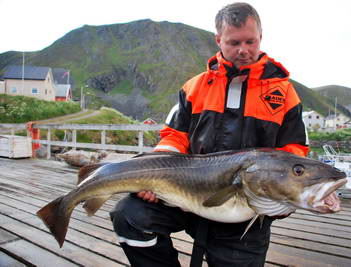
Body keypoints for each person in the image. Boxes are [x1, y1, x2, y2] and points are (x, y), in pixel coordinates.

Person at [111, 2, 311, 266]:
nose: (243, 50)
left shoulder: (284, 95)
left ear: (261, 36)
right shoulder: (193, 88)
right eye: (233, 42)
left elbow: (294, 152)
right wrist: (155, 178)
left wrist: (284, 197)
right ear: (219, 40)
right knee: (129, 216)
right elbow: (174, 138)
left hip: (247, 210)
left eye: (250, 41)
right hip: (187, 196)